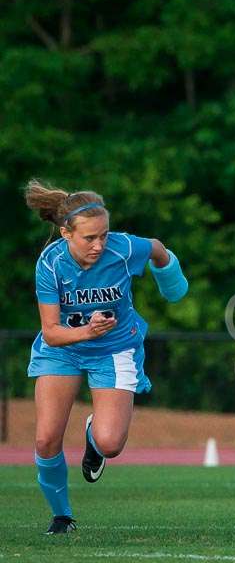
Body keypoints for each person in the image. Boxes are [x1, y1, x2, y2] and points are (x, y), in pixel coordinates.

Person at [25, 180, 188, 534]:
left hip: (115, 349)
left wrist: (172, 285)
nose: (99, 245)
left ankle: (93, 436)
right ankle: (62, 517)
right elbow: (52, 332)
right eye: (89, 238)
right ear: (66, 233)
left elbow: (158, 249)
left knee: (111, 443)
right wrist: (87, 331)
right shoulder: (50, 264)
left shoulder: (123, 248)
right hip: (63, 350)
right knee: (45, 439)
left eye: (104, 235)